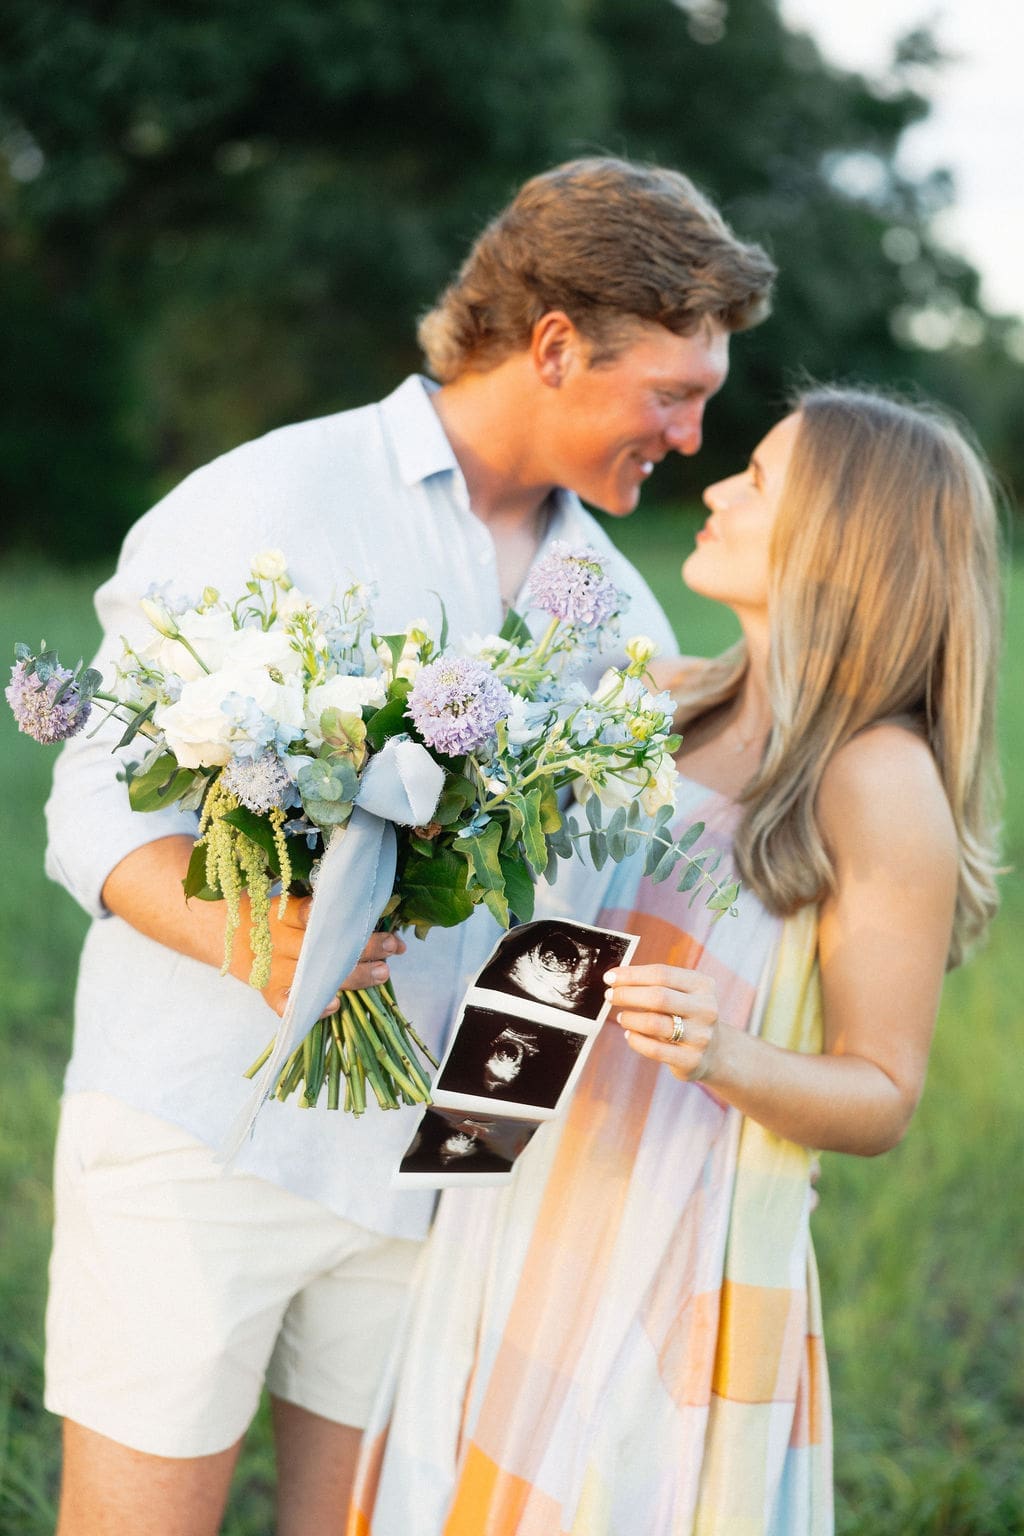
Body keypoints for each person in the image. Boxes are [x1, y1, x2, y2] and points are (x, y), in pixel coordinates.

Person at [41, 156, 775, 1535]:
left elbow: (570, 935)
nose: (687, 438)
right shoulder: (273, 499)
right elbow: (92, 801)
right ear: (557, 347)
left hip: (428, 1193)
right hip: (203, 1134)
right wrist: (238, 935)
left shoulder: (617, 621)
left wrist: (482, 1177)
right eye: (673, 394)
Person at [348, 387, 1003, 1535]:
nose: (714, 489)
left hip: (669, 1238)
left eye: (757, 482)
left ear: (842, 540)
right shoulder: (665, 698)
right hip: (527, 1194)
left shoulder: (875, 778)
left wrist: (729, 1052)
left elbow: (883, 1095)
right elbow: (552, 940)